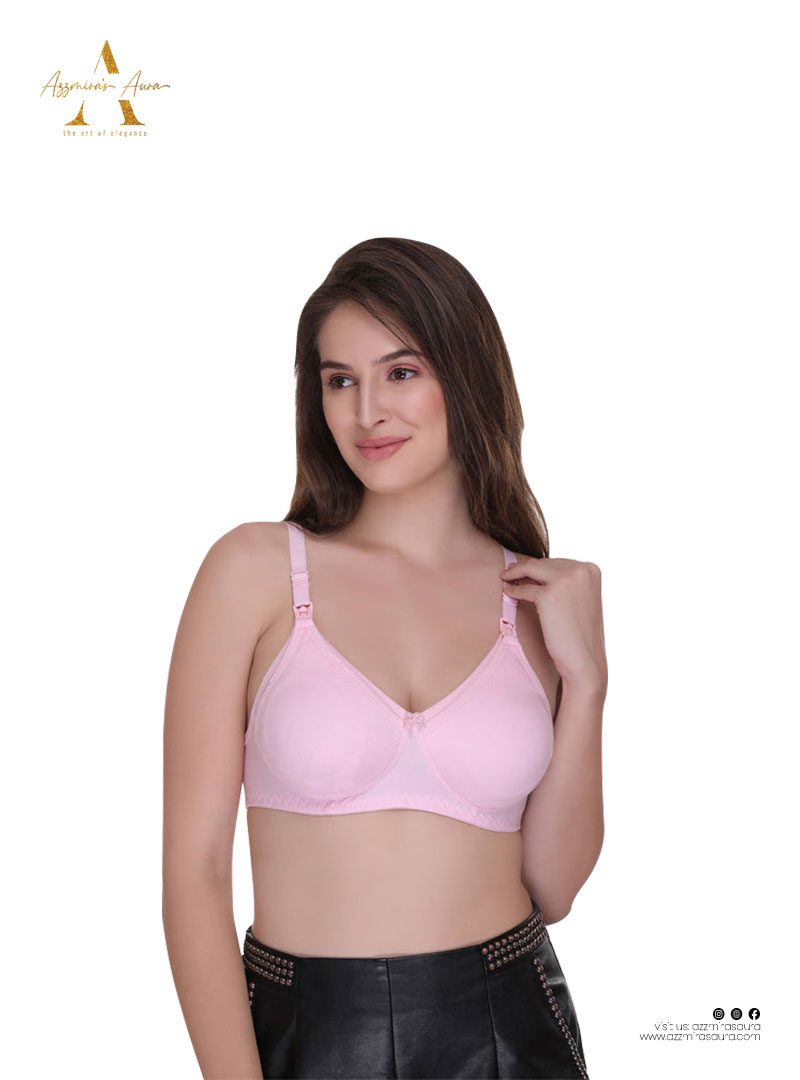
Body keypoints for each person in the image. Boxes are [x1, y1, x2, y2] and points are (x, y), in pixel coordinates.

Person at [162, 237, 607, 1079]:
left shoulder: (532, 599)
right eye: (340, 380)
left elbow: (553, 887)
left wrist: (587, 687)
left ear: (465, 378)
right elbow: (195, 873)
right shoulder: (255, 571)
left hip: (511, 1028)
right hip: (308, 1033)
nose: (367, 411)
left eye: (401, 372)